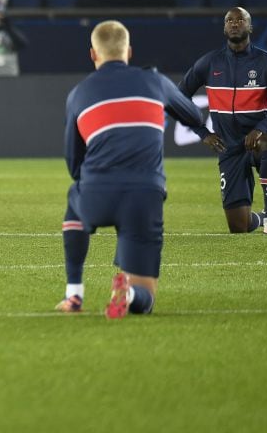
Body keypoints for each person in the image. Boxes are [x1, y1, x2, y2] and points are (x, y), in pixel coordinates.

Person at [55, 20, 206, 318]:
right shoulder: (155, 82)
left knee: (75, 197)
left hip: (97, 193)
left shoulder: (78, 94)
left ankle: (74, 294)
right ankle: (132, 293)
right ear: (129, 51)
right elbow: (194, 116)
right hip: (145, 196)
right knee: (146, 298)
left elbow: (73, 163)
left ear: (93, 55)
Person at [178, 7, 267, 235]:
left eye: (241, 20)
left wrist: (261, 129)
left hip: (255, 140)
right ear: (224, 27)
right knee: (238, 227)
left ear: (250, 27)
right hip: (227, 146)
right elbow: (178, 98)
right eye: (230, 20)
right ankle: (259, 218)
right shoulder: (209, 62)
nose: (235, 23)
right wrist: (203, 133)